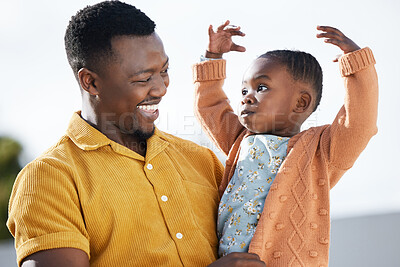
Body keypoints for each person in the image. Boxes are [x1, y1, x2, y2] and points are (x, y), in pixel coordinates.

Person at [6, 2, 266, 267]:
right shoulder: (49, 177)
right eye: (143, 79)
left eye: (164, 71)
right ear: (91, 82)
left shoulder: (202, 160)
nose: (160, 89)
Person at [193, 20, 378, 266]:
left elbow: (359, 122)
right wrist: (212, 56)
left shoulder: (321, 153)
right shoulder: (240, 140)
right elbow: (210, 106)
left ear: (301, 103)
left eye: (261, 87)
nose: (247, 98)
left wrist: (357, 64)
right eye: (244, 91)